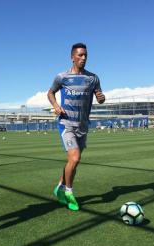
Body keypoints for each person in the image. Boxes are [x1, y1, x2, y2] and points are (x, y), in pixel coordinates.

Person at [47, 43, 105, 211]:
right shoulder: (62, 77)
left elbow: (100, 97)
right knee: (75, 158)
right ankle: (69, 192)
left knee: (73, 161)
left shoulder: (93, 78)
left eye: (85, 55)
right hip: (66, 123)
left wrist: (101, 98)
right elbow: (50, 93)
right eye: (80, 55)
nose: (83, 58)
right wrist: (56, 106)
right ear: (72, 57)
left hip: (83, 125)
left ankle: (60, 186)